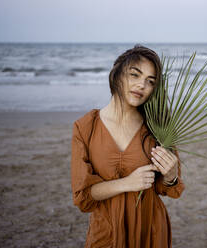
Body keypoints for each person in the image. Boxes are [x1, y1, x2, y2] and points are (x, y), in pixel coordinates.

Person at [71, 45, 185, 248]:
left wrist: (171, 176)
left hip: (150, 230)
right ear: (116, 74)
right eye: (135, 75)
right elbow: (83, 196)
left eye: (150, 82)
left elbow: (171, 189)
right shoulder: (85, 126)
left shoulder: (157, 126)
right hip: (107, 232)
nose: (142, 85)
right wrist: (127, 183)